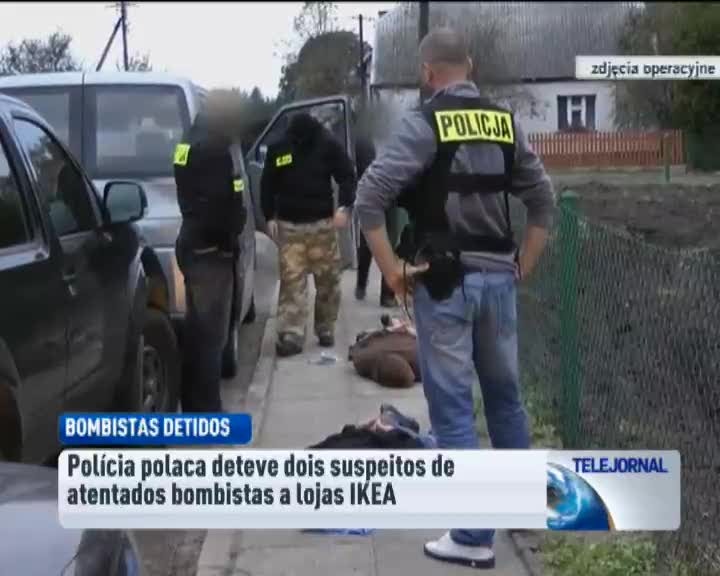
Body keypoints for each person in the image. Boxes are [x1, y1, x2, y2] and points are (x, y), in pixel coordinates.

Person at [355, 27, 555, 569]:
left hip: (446, 286)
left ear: (427, 72)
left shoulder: (424, 123)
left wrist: (392, 270)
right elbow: (543, 200)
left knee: (453, 408)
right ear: (470, 65)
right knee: (505, 398)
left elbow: (368, 197)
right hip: (499, 281)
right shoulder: (504, 122)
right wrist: (524, 264)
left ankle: (472, 535)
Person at [261, 112, 356, 357]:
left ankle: (325, 327)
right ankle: (291, 333)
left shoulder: (327, 143)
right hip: (289, 227)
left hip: (322, 226)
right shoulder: (280, 147)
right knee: (292, 281)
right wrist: (269, 216)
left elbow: (347, 175)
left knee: (328, 280)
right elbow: (267, 183)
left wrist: (345, 207)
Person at [173, 92, 246, 412]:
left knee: (196, 333)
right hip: (211, 251)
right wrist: (230, 236)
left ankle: (192, 405)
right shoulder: (215, 149)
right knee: (212, 339)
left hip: (191, 242)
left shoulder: (186, 142)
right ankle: (209, 411)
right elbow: (220, 206)